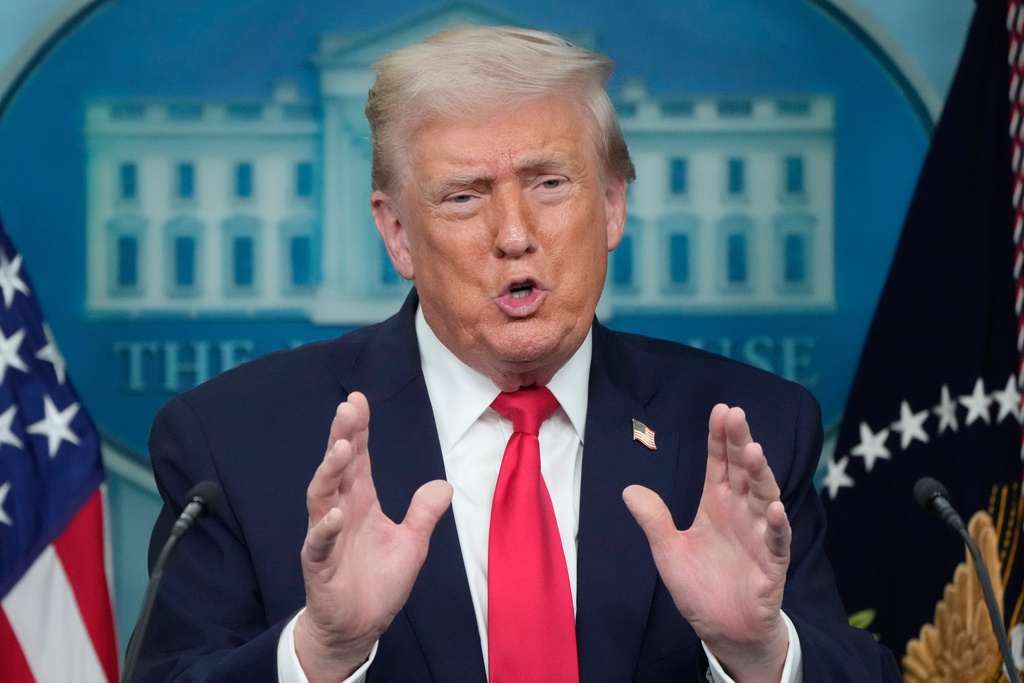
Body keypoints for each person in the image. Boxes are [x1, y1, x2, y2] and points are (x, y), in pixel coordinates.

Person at [134, 25, 901, 682]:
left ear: (612, 206)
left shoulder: (749, 430)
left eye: (550, 182)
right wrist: (321, 650)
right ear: (398, 233)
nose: (513, 233)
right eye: (464, 194)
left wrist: (758, 651)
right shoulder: (234, 441)